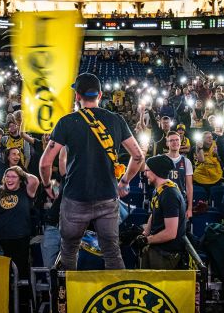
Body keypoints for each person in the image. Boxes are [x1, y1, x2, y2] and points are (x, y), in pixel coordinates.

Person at [39, 73, 144, 270]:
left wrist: (47, 186)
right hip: (107, 197)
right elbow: (138, 156)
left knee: (69, 251)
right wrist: (124, 182)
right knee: (112, 252)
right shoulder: (116, 120)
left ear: (77, 96)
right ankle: (117, 297)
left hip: (75, 199)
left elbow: (45, 163)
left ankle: (68, 299)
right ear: (100, 95)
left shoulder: (66, 122)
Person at [0, 166, 39, 279]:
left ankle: (23, 296)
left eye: (14, 177)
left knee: (21, 272)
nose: (9, 179)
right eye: (7, 176)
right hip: (1, 240)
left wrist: (18, 170)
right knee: (3, 273)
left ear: (20, 179)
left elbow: (34, 180)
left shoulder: (26, 191)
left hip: (20, 238)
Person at [135, 155, 186, 269]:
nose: (145, 174)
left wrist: (147, 240)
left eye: (147, 170)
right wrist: (144, 235)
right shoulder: (159, 190)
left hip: (166, 254)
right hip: (157, 249)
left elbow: (170, 233)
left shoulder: (170, 195)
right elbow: (154, 214)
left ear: (156, 171)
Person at [164, 131, 193, 219]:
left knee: (179, 231)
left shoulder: (186, 162)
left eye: (177, 140)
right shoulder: (160, 159)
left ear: (180, 143)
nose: (175, 142)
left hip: (179, 200)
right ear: (167, 143)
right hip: (163, 199)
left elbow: (189, 186)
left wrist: (190, 208)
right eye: (171, 140)